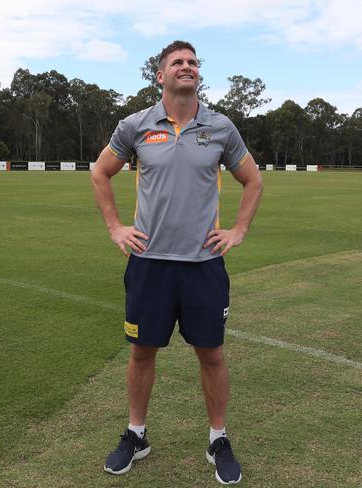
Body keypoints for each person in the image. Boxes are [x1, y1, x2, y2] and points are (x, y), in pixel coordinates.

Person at [90, 40, 263, 485]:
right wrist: (115, 228)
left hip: (204, 264)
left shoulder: (221, 127)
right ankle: (136, 434)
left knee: (211, 354)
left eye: (192, 62)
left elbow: (253, 179)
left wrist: (238, 231)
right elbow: (100, 171)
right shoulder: (136, 125)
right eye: (177, 62)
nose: (186, 67)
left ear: (197, 74)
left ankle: (218, 439)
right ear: (160, 75)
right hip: (150, 264)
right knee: (142, 351)